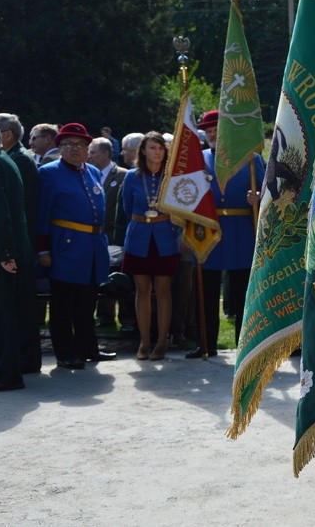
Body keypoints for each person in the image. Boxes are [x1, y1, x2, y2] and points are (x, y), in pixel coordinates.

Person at [185, 110, 264, 359]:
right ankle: (205, 343)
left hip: (241, 228)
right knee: (206, 289)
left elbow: (268, 194)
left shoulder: (251, 160)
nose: (212, 136)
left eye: (217, 131)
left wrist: (258, 199)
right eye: (208, 132)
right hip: (208, 229)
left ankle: (245, 343)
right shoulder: (199, 159)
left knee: (242, 291)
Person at [36, 123, 115, 369]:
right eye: (68, 144)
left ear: (87, 147)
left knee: (87, 302)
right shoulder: (49, 172)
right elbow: (41, 214)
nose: (74, 149)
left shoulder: (90, 170)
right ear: (59, 147)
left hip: (91, 247)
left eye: (80, 144)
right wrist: (43, 249)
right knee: (63, 304)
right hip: (65, 248)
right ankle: (65, 353)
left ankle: (88, 348)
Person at [121, 131, 180, 360]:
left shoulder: (171, 176)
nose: (157, 152)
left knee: (163, 291)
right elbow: (127, 208)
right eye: (153, 148)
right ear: (143, 151)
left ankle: (162, 341)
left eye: (161, 148)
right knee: (142, 291)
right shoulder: (131, 177)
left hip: (165, 237)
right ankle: (144, 342)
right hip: (139, 238)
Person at [0, 113, 41, 374]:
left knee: (8, 313)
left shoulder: (13, 160)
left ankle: (10, 368)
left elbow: (4, 213)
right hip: (13, 247)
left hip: (10, 248)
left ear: (8, 134)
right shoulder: (8, 159)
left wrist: (5, 251)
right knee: (14, 310)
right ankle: (19, 363)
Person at [88, 137, 130, 329]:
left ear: (105, 153)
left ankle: (127, 319)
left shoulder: (122, 175)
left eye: (93, 152)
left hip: (115, 236)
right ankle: (105, 318)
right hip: (96, 236)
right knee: (100, 276)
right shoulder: (88, 173)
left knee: (119, 278)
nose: (89, 156)